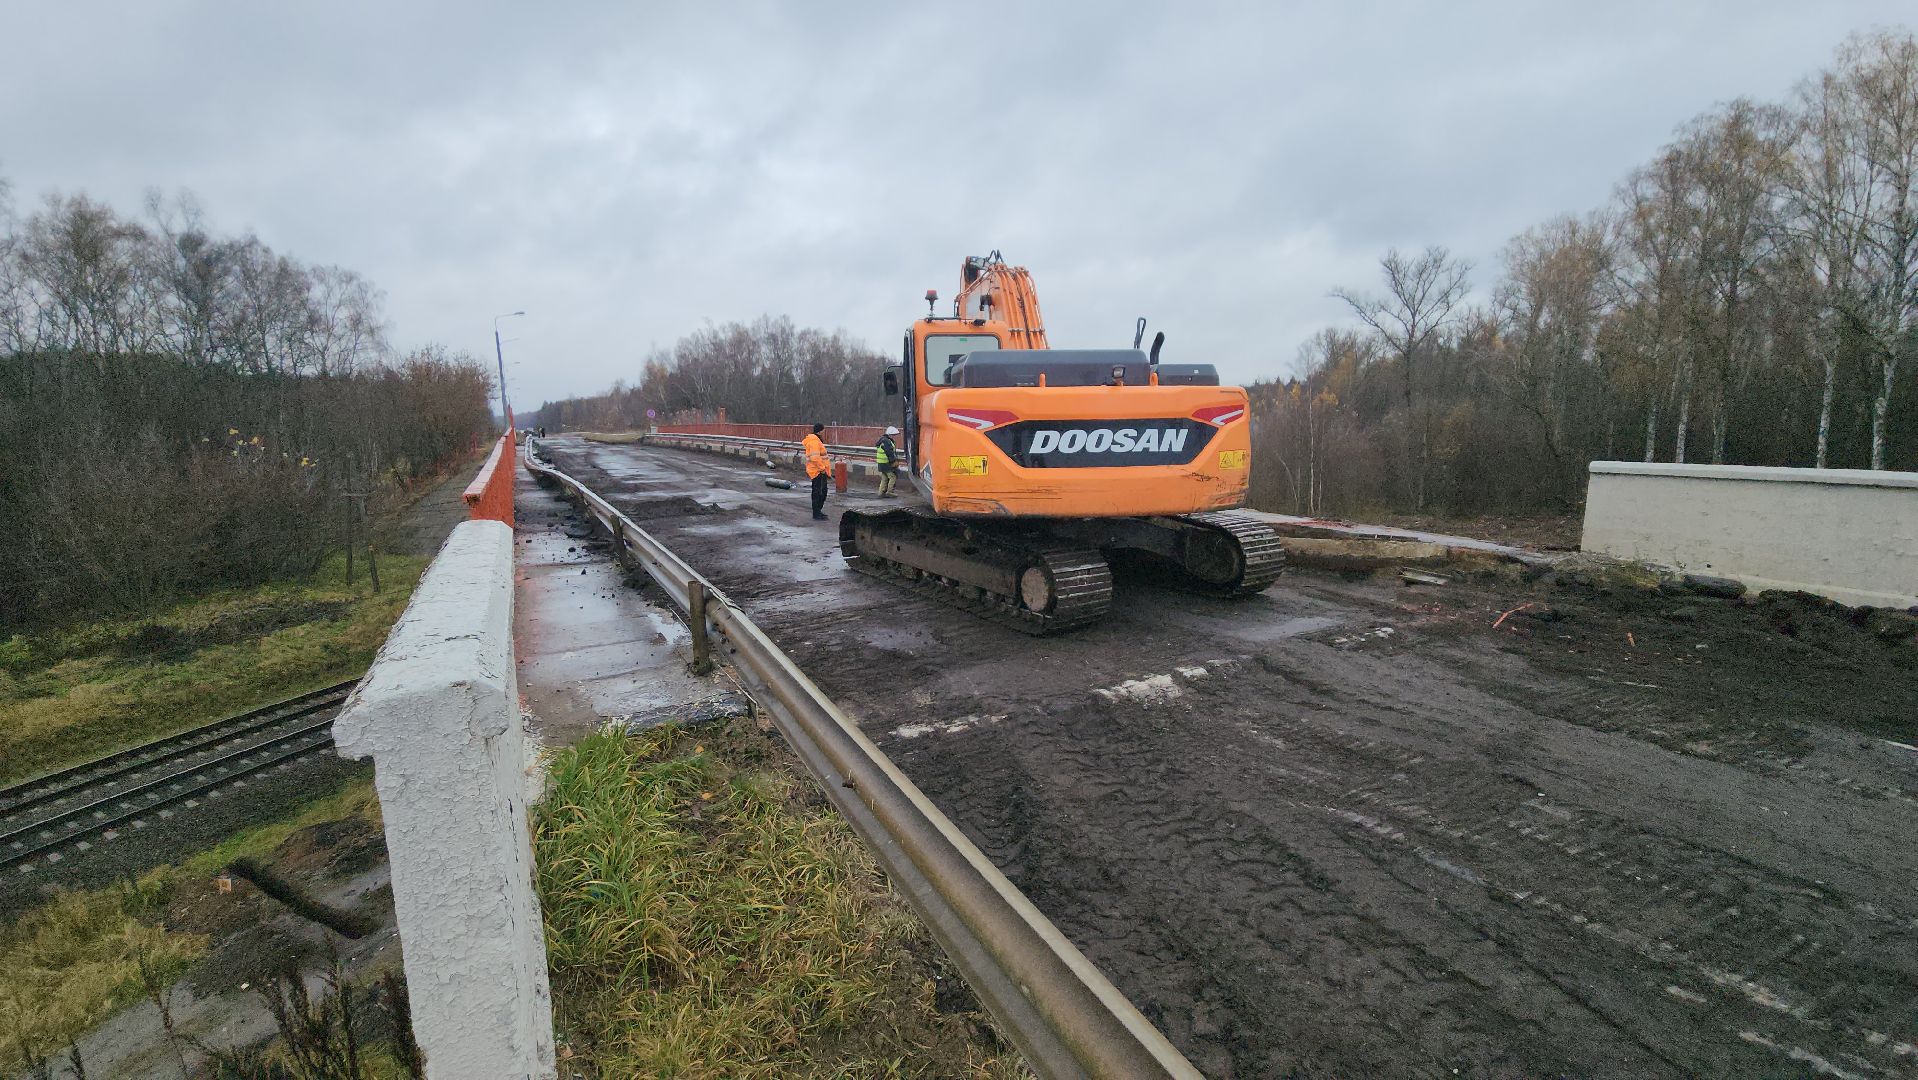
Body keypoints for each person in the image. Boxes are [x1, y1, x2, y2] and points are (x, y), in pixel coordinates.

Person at [803, 423, 831, 520]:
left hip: (817, 470)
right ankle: (817, 513)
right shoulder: (815, 441)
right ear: (820, 431)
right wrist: (822, 469)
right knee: (819, 492)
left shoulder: (815, 440)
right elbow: (815, 458)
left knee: (821, 492)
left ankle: (818, 511)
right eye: (823, 430)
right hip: (818, 471)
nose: (824, 432)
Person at [875, 426, 900, 497]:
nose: (894, 437)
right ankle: (889, 492)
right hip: (886, 463)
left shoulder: (882, 440)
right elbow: (890, 453)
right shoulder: (887, 441)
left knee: (884, 477)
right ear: (890, 434)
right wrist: (893, 462)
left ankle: (881, 492)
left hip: (881, 463)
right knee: (892, 477)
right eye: (893, 435)